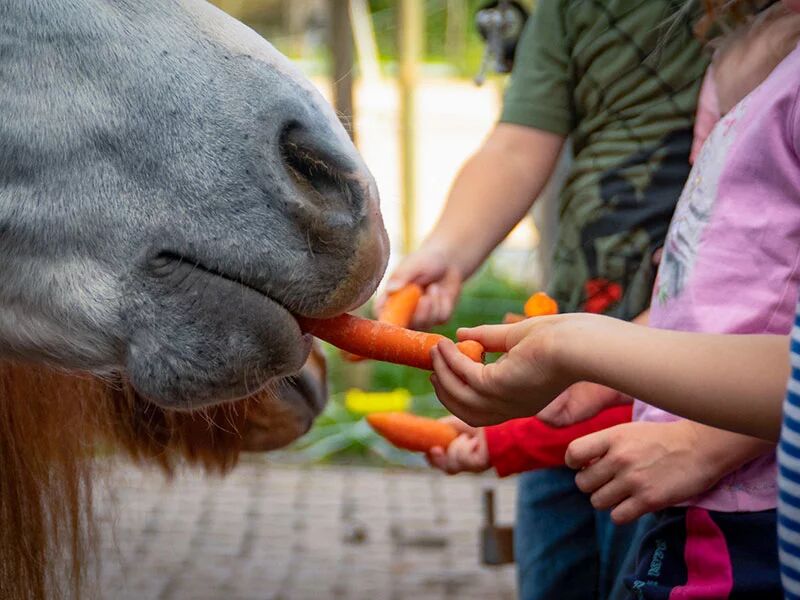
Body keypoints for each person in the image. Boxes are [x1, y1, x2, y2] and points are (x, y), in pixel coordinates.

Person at [429, 2, 800, 595]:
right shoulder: (741, 64)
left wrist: (698, 443)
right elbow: (699, 282)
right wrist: (599, 368)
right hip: (678, 473)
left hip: (746, 502)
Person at [379, 1, 710, 597]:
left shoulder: (750, 27)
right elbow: (517, 143)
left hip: (693, 367)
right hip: (566, 340)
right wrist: (446, 254)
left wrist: (645, 345)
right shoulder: (571, 8)